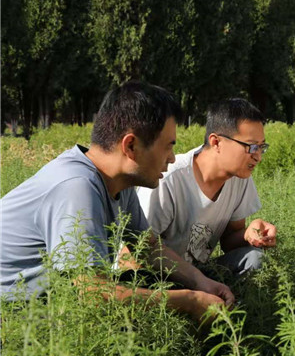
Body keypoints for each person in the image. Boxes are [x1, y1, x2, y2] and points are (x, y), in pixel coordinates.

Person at [0, 81, 234, 322]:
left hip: (48, 307)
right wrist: (189, 301)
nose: (172, 158)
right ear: (130, 146)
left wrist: (200, 282)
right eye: (167, 147)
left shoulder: (119, 183)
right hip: (13, 319)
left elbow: (148, 248)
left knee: (149, 283)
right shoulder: (77, 187)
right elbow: (92, 293)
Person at [137, 98, 276, 280]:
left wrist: (250, 233)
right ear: (216, 142)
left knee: (255, 258)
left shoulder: (240, 177)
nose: (258, 156)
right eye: (251, 147)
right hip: (158, 282)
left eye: (261, 147)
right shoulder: (168, 179)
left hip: (200, 277)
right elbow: (136, 250)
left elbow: (229, 241)